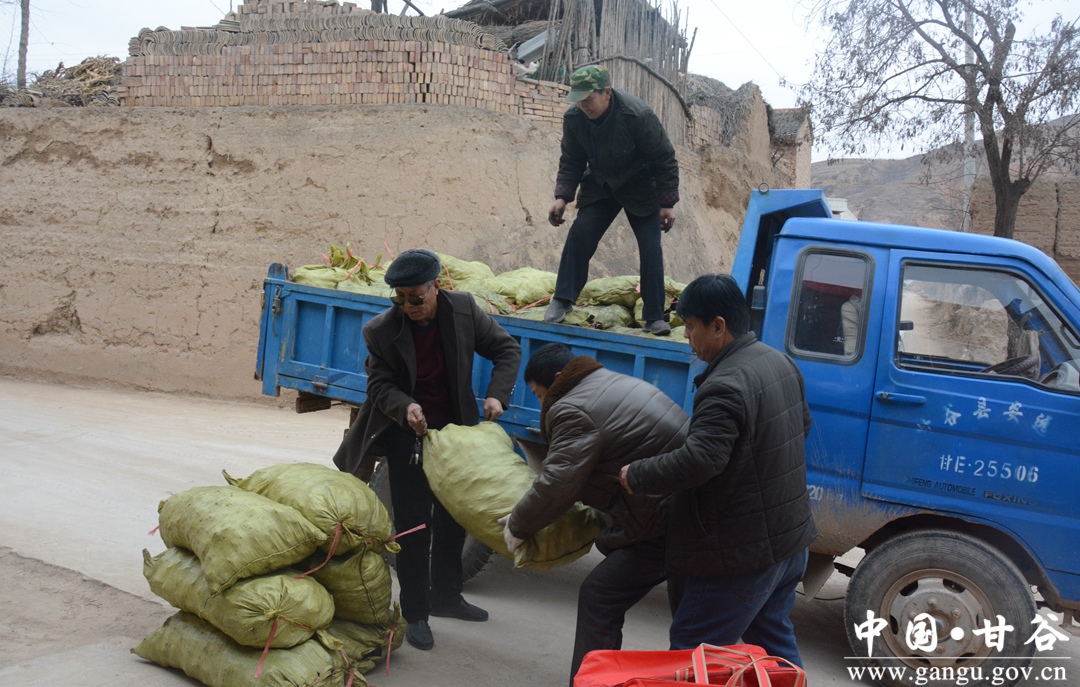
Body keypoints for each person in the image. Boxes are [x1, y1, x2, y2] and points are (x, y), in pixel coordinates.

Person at [619, 274, 817, 667]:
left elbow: (701, 460)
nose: (687, 336)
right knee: (774, 644)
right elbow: (802, 427)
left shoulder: (725, 384)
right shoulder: (780, 362)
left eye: (691, 326)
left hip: (742, 555)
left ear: (718, 326)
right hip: (789, 542)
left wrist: (636, 475)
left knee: (693, 650)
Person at [332, 248, 521, 651]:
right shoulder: (381, 331)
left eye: (416, 297)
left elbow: (507, 349)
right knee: (414, 525)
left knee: (454, 516)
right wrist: (406, 407)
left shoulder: (464, 310)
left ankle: (447, 597)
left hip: (455, 432)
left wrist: (497, 394)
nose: (408, 306)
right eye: (400, 298)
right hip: (408, 435)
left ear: (437, 286)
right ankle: (416, 613)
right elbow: (379, 385)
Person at [501, 342, 689, 685]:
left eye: (540, 395)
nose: (541, 404)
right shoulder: (606, 381)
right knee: (692, 624)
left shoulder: (573, 408)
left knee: (600, 596)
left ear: (559, 378)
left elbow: (558, 483)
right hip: (685, 509)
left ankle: (592, 682)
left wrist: (518, 526)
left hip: (667, 519)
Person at [544, 64, 680, 336]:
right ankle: (563, 299)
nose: (583, 106)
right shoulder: (574, 118)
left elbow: (664, 158)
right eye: (578, 100)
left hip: (641, 185)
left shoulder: (636, 114)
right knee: (580, 234)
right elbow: (571, 160)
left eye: (588, 99)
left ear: (606, 92)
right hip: (601, 183)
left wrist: (667, 203)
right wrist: (562, 197)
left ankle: (654, 316)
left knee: (650, 247)